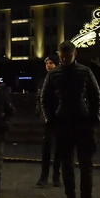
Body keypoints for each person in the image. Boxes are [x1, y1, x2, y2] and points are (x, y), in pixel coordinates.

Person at [41, 40, 100, 198]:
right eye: (63, 56)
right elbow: (45, 99)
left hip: (83, 123)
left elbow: (96, 96)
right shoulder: (54, 75)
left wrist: (95, 120)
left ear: (74, 54)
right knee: (67, 166)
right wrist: (50, 120)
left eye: (68, 56)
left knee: (86, 167)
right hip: (63, 124)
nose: (65, 59)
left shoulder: (85, 72)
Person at [35, 57, 61, 187]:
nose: (49, 65)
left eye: (51, 63)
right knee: (46, 148)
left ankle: (56, 176)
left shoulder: (61, 79)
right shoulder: (42, 81)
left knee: (59, 149)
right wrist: (41, 114)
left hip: (59, 117)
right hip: (47, 118)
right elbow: (39, 99)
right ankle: (44, 177)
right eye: (47, 63)